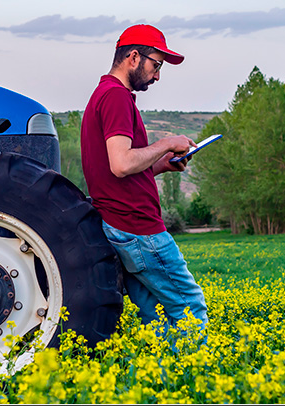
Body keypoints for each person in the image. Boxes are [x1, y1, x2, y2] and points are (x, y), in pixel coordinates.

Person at [80, 23, 209, 333]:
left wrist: (161, 164)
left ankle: (160, 365)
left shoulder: (105, 94)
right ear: (134, 57)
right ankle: (196, 365)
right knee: (190, 308)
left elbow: (116, 169)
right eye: (156, 65)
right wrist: (165, 143)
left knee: (155, 318)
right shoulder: (116, 97)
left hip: (120, 224)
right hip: (137, 227)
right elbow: (122, 164)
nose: (157, 75)